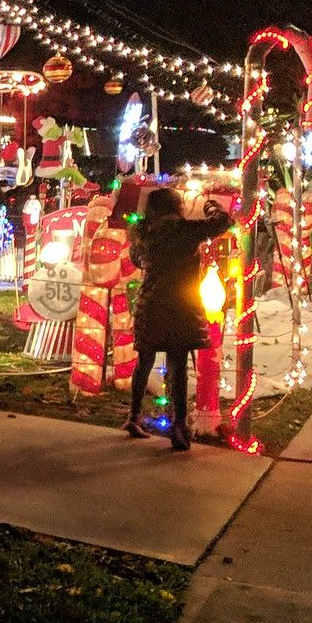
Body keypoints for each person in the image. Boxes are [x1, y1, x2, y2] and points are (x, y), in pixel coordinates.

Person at [127, 187, 235, 450]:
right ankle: (179, 425)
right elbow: (224, 222)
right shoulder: (186, 230)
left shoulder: (142, 232)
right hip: (179, 304)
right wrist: (212, 206)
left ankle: (133, 416)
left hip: (149, 302)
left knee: (144, 361)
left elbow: (136, 261)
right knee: (177, 365)